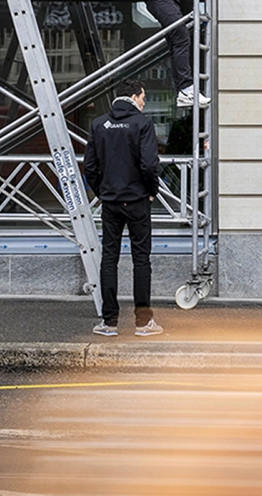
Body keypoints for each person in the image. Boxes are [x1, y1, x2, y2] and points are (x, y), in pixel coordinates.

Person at [82, 78, 163, 337]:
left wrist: (103, 191)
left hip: (111, 202)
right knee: (141, 260)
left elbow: (89, 167)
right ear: (135, 96)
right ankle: (143, 322)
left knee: (109, 259)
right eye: (143, 98)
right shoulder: (142, 123)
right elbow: (149, 165)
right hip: (137, 200)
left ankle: (109, 322)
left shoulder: (99, 124)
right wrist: (151, 191)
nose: (144, 103)